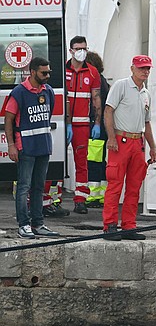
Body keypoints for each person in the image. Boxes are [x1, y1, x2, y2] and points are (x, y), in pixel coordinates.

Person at [101, 55, 156, 241]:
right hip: (121, 139)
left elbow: (146, 122)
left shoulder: (145, 93)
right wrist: (111, 137)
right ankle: (110, 225)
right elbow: (108, 110)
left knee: (134, 187)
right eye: (142, 68)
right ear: (132, 68)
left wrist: (152, 147)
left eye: (147, 68)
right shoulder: (121, 86)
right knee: (115, 184)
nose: (145, 71)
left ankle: (129, 225)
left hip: (137, 142)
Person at [4, 57, 60, 238]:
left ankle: (38, 224)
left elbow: (48, 115)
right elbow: (9, 119)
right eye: (44, 73)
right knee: (23, 187)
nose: (47, 76)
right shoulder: (19, 92)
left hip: (43, 145)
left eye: (49, 72)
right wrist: (11, 145)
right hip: (26, 146)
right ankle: (24, 225)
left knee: (38, 187)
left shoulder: (48, 91)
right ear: (33, 72)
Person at [65, 36, 102, 214]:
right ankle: (49, 199)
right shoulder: (62, 69)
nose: (82, 52)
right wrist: (65, 123)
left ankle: (80, 199)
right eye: (78, 48)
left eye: (85, 48)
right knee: (56, 161)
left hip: (82, 125)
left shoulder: (93, 72)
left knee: (82, 163)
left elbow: (96, 98)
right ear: (71, 50)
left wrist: (97, 123)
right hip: (63, 125)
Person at [84, 51, 109, 208]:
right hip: (103, 127)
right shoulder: (103, 80)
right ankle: (100, 194)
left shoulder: (96, 81)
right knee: (100, 162)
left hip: (96, 126)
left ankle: (93, 195)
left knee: (93, 162)